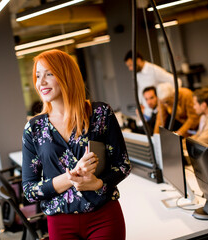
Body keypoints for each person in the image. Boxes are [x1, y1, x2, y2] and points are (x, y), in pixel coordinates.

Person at [22, 49, 131, 240]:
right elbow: (29, 190)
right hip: (60, 221)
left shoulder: (100, 113)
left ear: (66, 76)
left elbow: (122, 165)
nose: (41, 82)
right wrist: (71, 177)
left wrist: (97, 183)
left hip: (103, 215)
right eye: (38, 76)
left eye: (49, 74)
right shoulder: (34, 128)